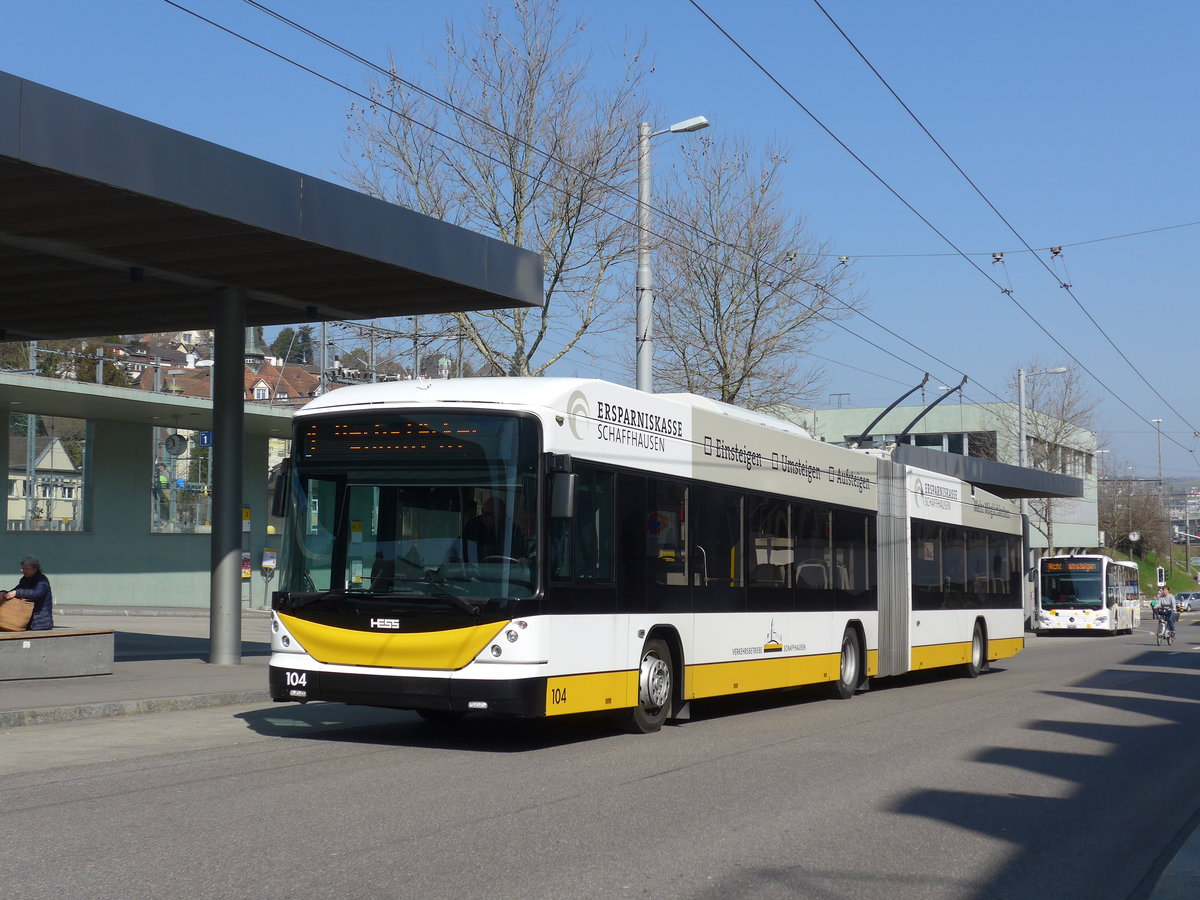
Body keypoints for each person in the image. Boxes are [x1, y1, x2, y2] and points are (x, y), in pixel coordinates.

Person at [461, 497, 525, 563]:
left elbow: (516, 556)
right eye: (482, 512)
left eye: (488, 514)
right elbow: (463, 550)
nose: (483, 516)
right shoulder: (473, 527)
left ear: (500, 515)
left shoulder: (513, 531)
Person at [4, 555, 54, 631]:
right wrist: (4, 593)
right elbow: (15, 590)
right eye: (23, 569)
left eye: (27, 569)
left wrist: (17, 593)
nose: (24, 571)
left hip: (40, 623)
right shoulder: (25, 580)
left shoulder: (42, 580)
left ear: (35, 569)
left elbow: (37, 593)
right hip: (28, 622)